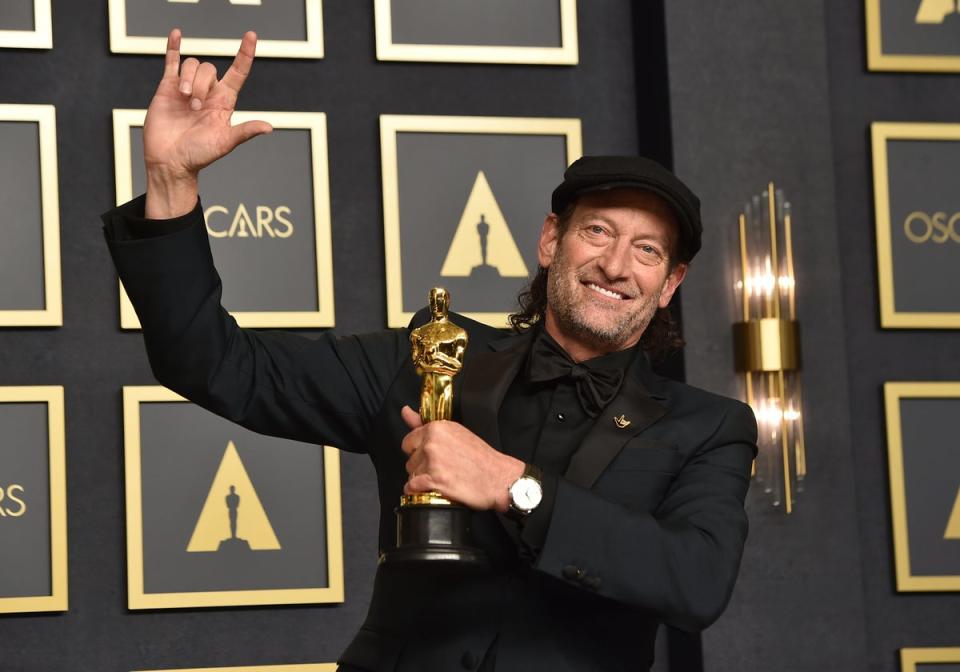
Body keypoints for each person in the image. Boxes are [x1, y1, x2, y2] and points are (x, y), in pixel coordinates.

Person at [102, 29, 757, 672]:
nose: (616, 265)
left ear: (670, 282)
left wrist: (513, 486)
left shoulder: (707, 428)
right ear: (551, 240)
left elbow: (695, 583)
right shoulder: (428, 354)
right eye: (598, 231)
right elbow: (216, 365)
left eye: (646, 250)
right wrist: (169, 183)